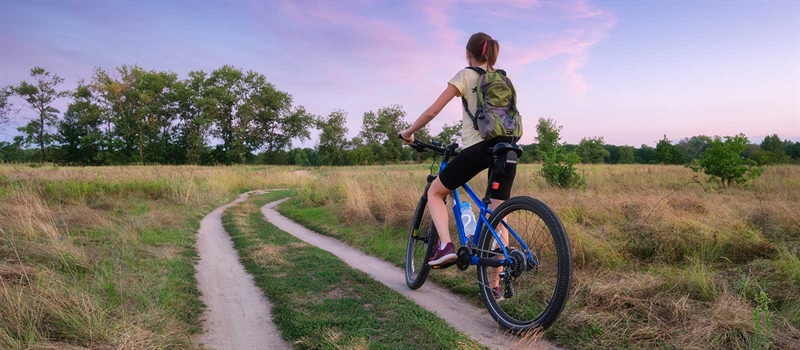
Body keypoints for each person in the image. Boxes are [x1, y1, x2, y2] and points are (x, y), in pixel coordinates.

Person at [399, 32, 518, 300]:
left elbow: (432, 111)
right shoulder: (504, 80)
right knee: (500, 217)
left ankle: (445, 246)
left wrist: (408, 133)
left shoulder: (466, 75)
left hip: (479, 148)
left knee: (435, 192)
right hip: (507, 150)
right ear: (492, 55)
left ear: (469, 53)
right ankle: (496, 285)